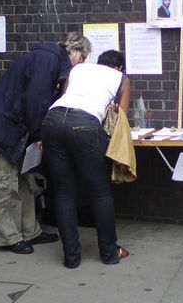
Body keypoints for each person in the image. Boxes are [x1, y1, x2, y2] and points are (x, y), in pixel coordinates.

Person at [0, 32, 92, 254]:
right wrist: (39, 135)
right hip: (1, 125)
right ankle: (9, 237)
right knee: (6, 181)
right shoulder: (49, 59)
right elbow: (36, 101)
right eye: (83, 59)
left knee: (25, 180)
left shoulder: (51, 59)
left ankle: (29, 230)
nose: (81, 65)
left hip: (13, 124)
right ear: (75, 51)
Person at [40, 50, 131, 268]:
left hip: (52, 121)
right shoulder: (122, 79)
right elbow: (121, 120)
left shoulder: (78, 69)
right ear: (119, 67)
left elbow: (65, 96)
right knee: (100, 193)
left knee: (64, 193)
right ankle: (110, 253)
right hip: (86, 124)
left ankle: (71, 258)